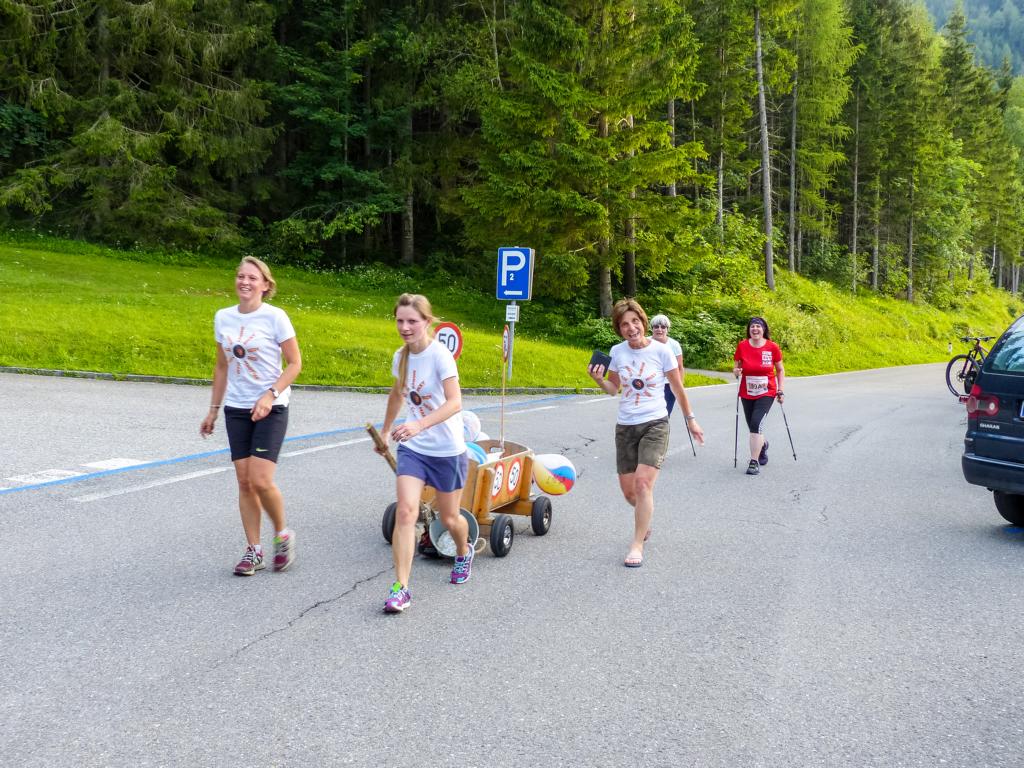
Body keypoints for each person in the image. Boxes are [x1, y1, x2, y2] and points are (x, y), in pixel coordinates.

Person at [200, 257, 302, 575]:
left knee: (260, 479)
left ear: (265, 285)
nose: (244, 282)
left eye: (252, 278)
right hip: (236, 407)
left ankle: (282, 535)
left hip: (272, 406)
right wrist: (213, 410)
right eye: (240, 276)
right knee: (244, 481)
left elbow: (295, 363)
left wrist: (270, 395)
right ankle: (254, 551)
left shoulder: (275, 317)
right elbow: (222, 366)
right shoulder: (223, 317)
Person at [587, 299, 705, 567]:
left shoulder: (662, 351)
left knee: (642, 484)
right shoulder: (617, 352)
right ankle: (645, 517)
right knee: (630, 493)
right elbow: (613, 389)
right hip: (625, 426)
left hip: (655, 423)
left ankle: (637, 544)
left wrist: (691, 420)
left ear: (643, 322)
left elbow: (677, 388)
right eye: (624, 324)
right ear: (619, 329)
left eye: (635, 322)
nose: (631, 328)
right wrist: (598, 379)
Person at [376, 293, 471, 613]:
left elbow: (455, 402)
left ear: (427, 322)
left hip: (447, 450)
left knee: (449, 518)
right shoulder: (400, 356)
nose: (405, 327)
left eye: (412, 321)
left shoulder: (440, 355)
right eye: (400, 321)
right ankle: (401, 588)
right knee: (406, 512)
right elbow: (397, 394)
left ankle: (463, 551)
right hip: (413, 449)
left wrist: (420, 424)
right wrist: (386, 431)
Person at [732, 316, 785, 476]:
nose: (755, 329)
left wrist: (780, 390)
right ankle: (763, 444)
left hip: (767, 391)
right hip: (747, 392)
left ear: (764, 329)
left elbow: (780, 370)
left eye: (758, 326)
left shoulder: (772, 347)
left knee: (756, 423)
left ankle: (753, 462)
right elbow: (736, 368)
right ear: (749, 330)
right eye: (752, 326)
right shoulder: (742, 346)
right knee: (752, 425)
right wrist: (736, 372)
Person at [649, 314, 685, 415]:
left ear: (667, 329)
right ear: (652, 328)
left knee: (665, 414)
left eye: (663, 327)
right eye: (656, 327)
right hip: (650, 384)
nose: (659, 330)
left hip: (669, 385)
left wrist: (680, 387)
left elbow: (680, 367)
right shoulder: (645, 342)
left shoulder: (674, 345)